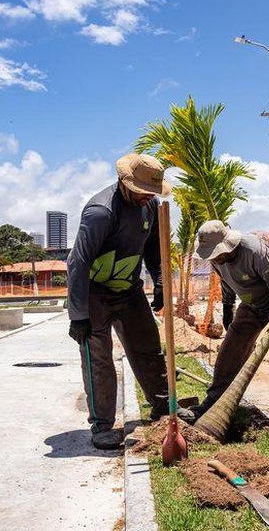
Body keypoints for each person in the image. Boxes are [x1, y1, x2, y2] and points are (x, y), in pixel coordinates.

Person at [67, 153, 186, 450]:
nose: (148, 196)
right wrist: (78, 314)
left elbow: (155, 249)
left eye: (152, 191)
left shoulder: (151, 206)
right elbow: (77, 263)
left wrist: (160, 280)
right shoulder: (101, 212)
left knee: (148, 346)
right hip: (95, 293)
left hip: (129, 291)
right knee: (99, 360)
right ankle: (102, 425)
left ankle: (163, 406)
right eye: (143, 190)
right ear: (125, 183)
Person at [185, 220, 269, 432]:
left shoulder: (255, 251)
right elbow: (226, 282)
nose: (215, 258)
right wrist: (228, 308)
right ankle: (213, 400)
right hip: (253, 303)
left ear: (227, 244)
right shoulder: (216, 259)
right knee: (231, 348)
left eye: (217, 253)